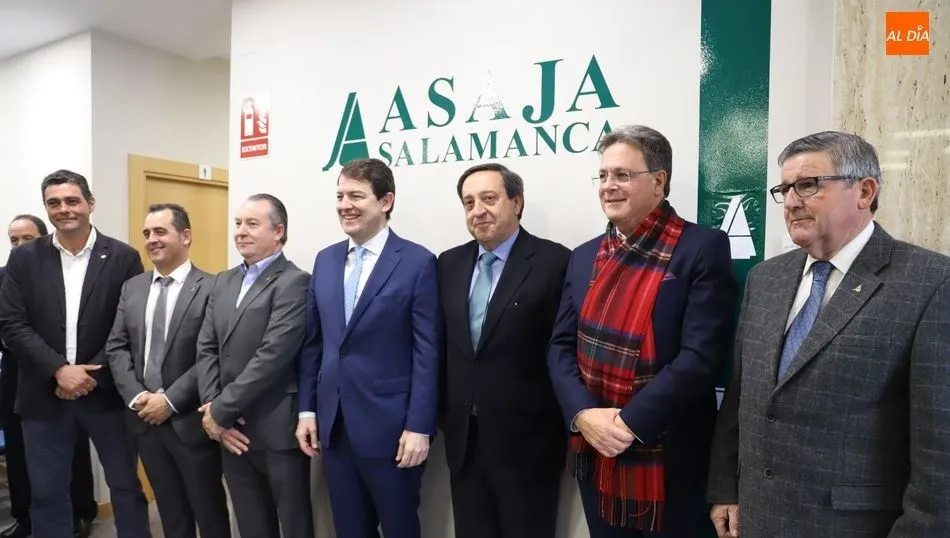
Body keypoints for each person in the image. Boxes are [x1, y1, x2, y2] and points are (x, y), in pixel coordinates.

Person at [707, 131, 950, 538]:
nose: (791, 201)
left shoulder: (930, 282)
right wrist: (726, 487)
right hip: (758, 519)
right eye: (785, 189)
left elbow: (939, 448)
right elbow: (741, 394)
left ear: (865, 191)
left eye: (808, 185)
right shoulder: (766, 278)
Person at [547, 125, 737, 537]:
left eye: (623, 175)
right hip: (596, 451)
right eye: (603, 176)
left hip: (669, 454)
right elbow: (560, 346)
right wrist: (583, 415)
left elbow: (701, 357)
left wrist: (627, 425)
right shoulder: (583, 257)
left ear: (659, 181)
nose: (609, 186)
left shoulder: (701, 247)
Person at [0, 170, 150, 538]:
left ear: (90, 203)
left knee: (126, 488)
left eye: (72, 201)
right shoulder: (25, 259)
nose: (64, 209)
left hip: (107, 395)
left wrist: (87, 376)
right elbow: (12, 323)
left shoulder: (123, 257)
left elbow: (129, 324)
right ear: (46, 208)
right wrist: (58, 370)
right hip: (42, 395)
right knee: (47, 494)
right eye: (54, 203)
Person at [297, 158, 440, 538]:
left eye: (356, 196)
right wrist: (307, 409)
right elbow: (315, 344)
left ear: (386, 201)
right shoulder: (325, 260)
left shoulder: (417, 262)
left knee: (398, 528)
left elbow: (428, 353)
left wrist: (419, 426)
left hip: (393, 432)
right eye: (340, 195)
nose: (345, 205)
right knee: (349, 529)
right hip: (335, 428)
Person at [437, 163, 569, 538]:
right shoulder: (449, 263)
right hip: (465, 443)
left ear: (517, 202)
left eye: (489, 198)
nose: (477, 210)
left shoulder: (554, 261)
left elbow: (564, 352)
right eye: (468, 202)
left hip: (529, 445)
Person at [106, 203, 231, 538]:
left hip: (190, 421)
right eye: (147, 233)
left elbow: (212, 354)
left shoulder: (213, 287)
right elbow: (116, 347)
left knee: (210, 513)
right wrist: (137, 396)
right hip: (145, 420)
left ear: (185, 236)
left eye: (160, 231)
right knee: (169, 512)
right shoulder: (132, 288)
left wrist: (171, 400)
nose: (151, 240)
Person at [196, 193, 313, 538]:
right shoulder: (224, 280)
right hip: (230, 430)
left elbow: (273, 355)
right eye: (238, 224)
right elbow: (206, 347)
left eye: (252, 224)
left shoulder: (294, 281)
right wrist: (213, 408)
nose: (241, 232)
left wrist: (221, 408)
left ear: (278, 232)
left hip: (274, 428)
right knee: (250, 524)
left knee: (294, 525)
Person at [0, 214, 98, 538]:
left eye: (26, 239)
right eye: (13, 240)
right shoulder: (3, 277)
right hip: (17, 374)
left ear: (42, 240)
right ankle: (25, 517)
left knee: (71, 445)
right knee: (18, 449)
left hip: (60, 370)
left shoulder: (57, 272)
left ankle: (80, 512)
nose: (18, 246)